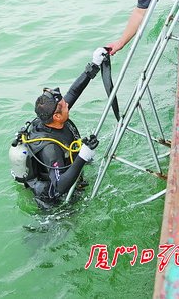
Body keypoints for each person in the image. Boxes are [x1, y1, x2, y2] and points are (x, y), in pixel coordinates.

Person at [10, 48, 107, 208]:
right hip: (53, 204)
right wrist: (83, 156)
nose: (67, 104)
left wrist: (93, 66)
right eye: (63, 105)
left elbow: (73, 92)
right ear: (56, 116)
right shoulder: (51, 150)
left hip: (63, 171)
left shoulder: (50, 116)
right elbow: (59, 188)